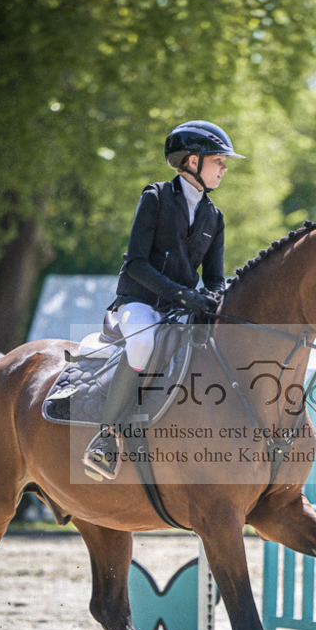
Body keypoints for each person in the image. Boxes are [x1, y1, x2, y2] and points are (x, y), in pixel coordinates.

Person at [84, 120, 245, 479]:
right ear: (192, 161)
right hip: (139, 303)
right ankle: (105, 438)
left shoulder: (214, 216)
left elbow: (215, 277)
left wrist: (214, 298)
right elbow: (136, 263)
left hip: (181, 309)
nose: (224, 167)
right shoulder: (155, 198)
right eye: (218, 160)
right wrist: (183, 294)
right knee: (141, 344)